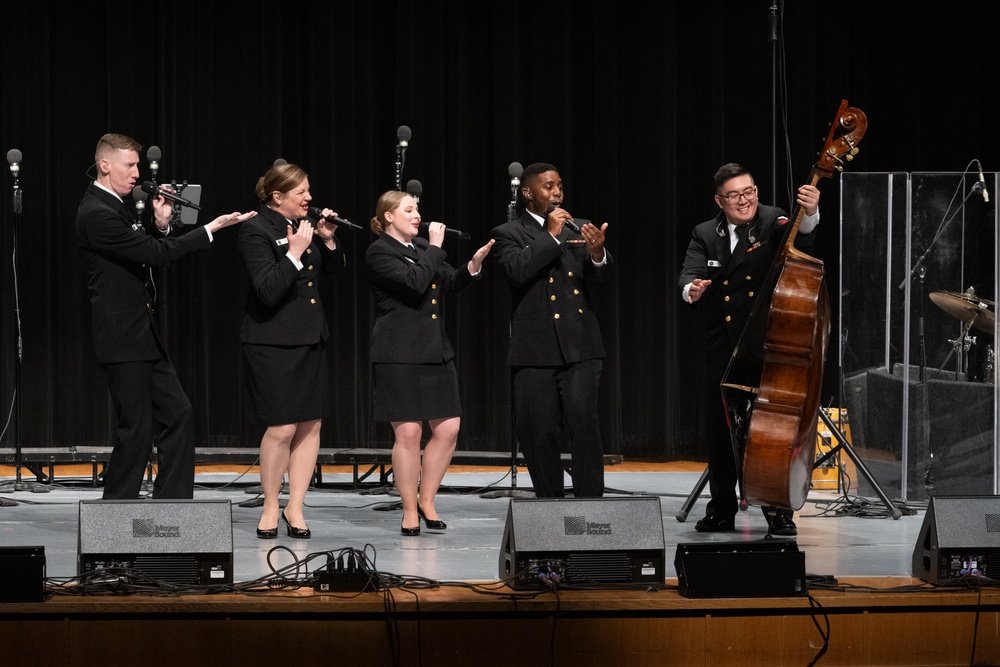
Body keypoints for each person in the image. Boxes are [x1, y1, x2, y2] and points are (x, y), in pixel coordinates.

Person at [76, 133, 256, 500]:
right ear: (105, 164)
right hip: (122, 338)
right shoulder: (96, 213)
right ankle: (116, 511)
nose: (136, 173)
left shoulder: (114, 206)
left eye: (137, 165)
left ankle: (172, 503)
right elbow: (154, 254)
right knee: (137, 430)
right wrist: (210, 229)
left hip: (142, 335)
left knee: (178, 413)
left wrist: (160, 224)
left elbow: (146, 249)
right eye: (130, 165)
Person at [679, 162, 821, 536]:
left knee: (771, 433)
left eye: (749, 192)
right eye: (734, 195)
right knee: (720, 432)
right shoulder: (705, 232)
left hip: (766, 345)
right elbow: (688, 273)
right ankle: (722, 508)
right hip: (722, 347)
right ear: (719, 200)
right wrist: (690, 289)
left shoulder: (774, 220)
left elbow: (799, 241)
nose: (744, 201)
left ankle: (777, 511)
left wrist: (810, 213)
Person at [366, 190, 493, 536]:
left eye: (417, 208)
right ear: (389, 216)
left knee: (449, 428)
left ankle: (427, 499)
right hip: (399, 351)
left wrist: (473, 265)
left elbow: (449, 282)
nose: (417, 214)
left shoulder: (422, 248)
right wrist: (436, 247)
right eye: (409, 209)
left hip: (435, 349)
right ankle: (409, 508)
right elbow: (414, 283)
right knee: (408, 433)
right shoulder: (379, 251)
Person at [490, 162, 611, 499]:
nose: (557, 192)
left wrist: (598, 253)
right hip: (534, 349)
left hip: (581, 347)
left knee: (584, 425)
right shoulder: (508, 233)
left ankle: (591, 504)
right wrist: (552, 236)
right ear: (528, 193)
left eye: (559, 185)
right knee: (538, 431)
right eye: (548, 186)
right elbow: (517, 271)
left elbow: (600, 276)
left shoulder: (580, 227)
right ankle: (549, 505)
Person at [238, 163, 346, 539]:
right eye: (301, 192)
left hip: (310, 336)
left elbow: (330, 273)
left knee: (310, 424)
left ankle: (295, 505)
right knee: (282, 426)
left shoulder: (305, 227)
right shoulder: (254, 230)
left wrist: (328, 240)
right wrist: (294, 253)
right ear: (277, 197)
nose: (309, 198)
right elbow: (268, 290)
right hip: (272, 341)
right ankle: (270, 503)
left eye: (309, 190)